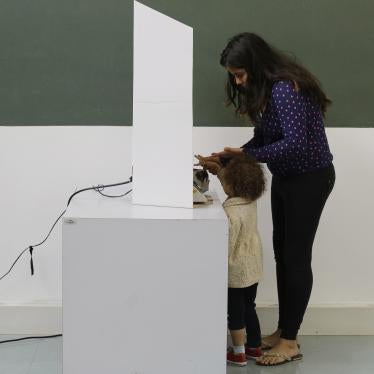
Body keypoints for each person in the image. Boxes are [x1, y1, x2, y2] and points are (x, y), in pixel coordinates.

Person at [207, 32, 336, 366]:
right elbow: (265, 139)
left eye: (239, 73)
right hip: (287, 177)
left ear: (255, 64)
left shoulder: (285, 89)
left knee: (295, 258)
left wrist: (250, 155)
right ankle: (283, 331)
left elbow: (293, 144)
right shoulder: (268, 92)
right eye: (234, 75)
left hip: (309, 179)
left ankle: (290, 342)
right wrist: (234, 156)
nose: (237, 80)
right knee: (283, 255)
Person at [196, 153, 266, 367]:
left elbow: (226, 246)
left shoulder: (229, 212)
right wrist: (218, 170)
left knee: (234, 314)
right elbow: (229, 179)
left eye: (225, 181)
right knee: (249, 307)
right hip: (253, 268)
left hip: (236, 271)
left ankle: (238, 353)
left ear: (231, 186)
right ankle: (254, 346)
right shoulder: (250, 202)